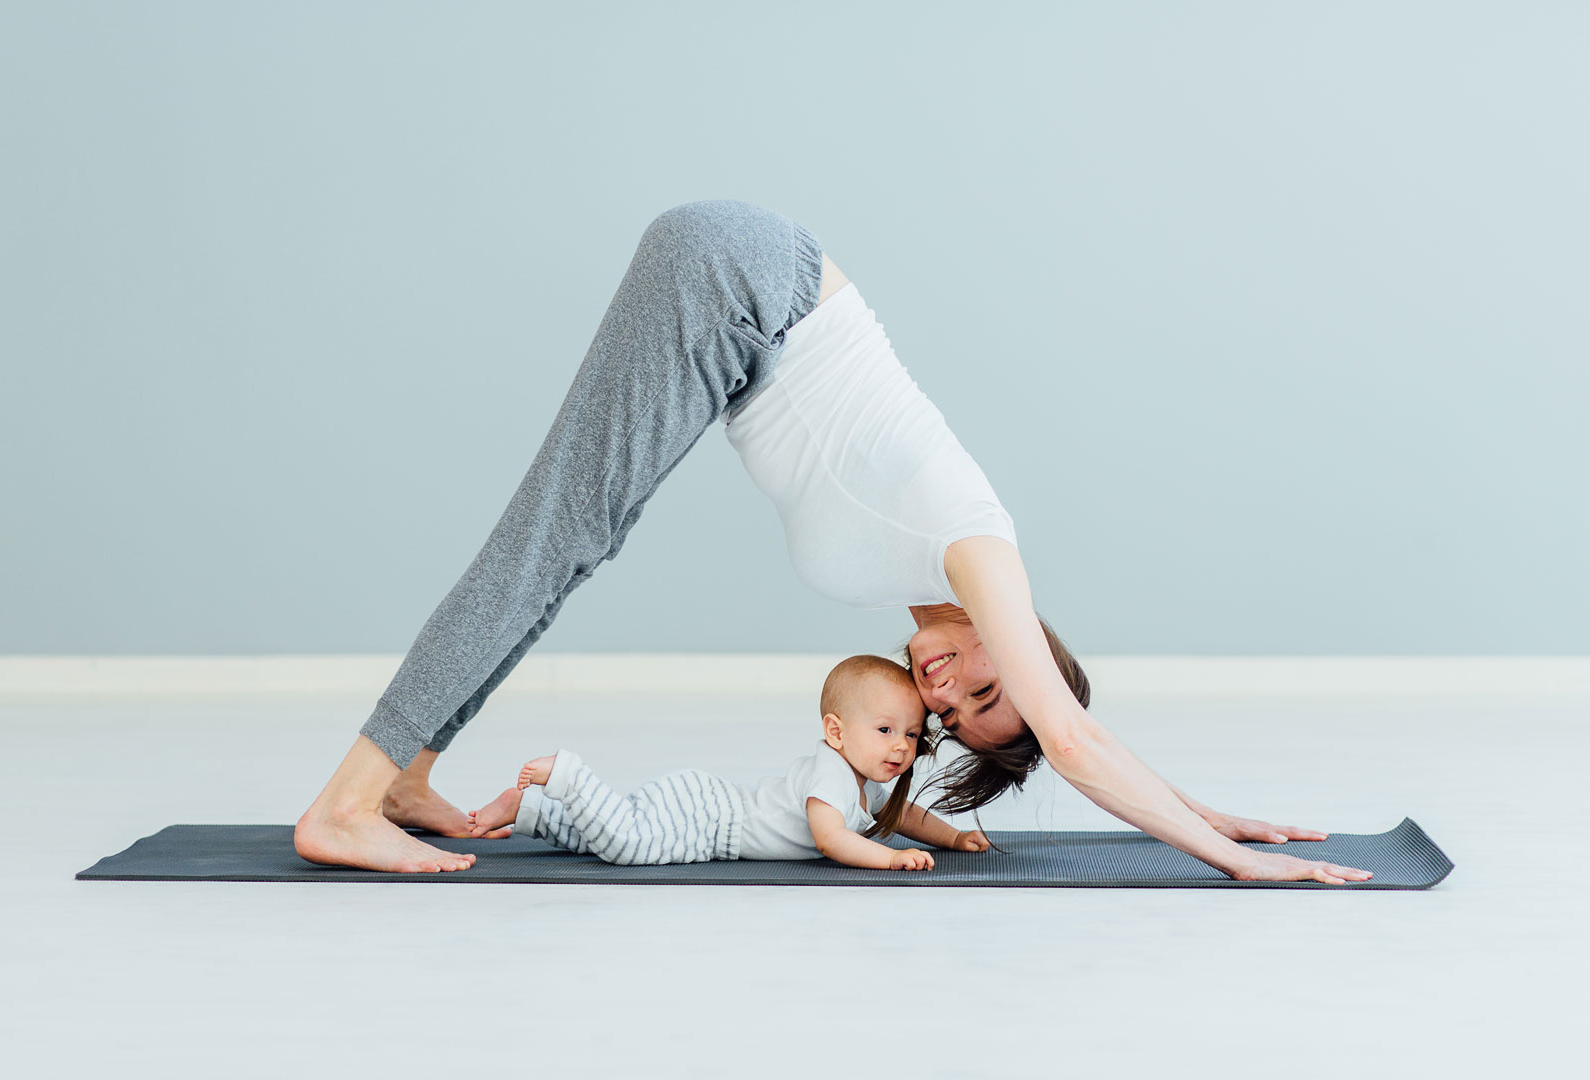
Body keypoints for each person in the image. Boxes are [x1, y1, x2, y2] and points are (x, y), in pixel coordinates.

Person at [294, 199, 1372, 885]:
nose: (940, 694)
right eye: (987, 693)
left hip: (743, 302)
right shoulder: (977, 548)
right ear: (1032, 646)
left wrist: (1198, 806)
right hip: (743, 283)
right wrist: (1232, 861)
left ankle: (400, 780)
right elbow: (1078, 742)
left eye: (946, 717)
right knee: (555, 538)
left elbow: (1069, 738)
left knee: (572, 539)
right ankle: (345, 803)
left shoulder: (924, 585)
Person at [463, 654, 991, 869]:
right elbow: (831, 839)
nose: (900, 746)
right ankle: (567, 775)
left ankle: (529, 812)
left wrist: (952, 837)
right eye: (884, 731)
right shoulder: (831, 771)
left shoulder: (862, 782)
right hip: (711, 821)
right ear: (836, 731)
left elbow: (902, 816)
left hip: (708, 809)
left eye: (910, 734)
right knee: (625, 844)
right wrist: (890, 860)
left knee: (602, 837)